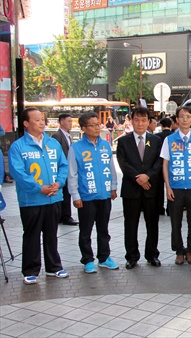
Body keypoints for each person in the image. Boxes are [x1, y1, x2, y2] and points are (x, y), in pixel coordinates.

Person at [8, 107, 69, 284]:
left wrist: (58, 183)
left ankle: (54, 267)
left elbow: (63, 166)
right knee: (32, 235)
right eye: (37, 120)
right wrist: (38, 188)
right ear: (26, 123)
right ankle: (30, 270)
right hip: (31, 200)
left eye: (42, 119)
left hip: (54, 197)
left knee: (51, 234)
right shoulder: (18, 147)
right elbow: (18, 173)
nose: (42, 122)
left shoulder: (53, 144)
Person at [67, 112, 119, 273]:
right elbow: (72, 173)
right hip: (86, 196)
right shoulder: (76, 148)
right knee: (86, 230)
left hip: (104, 195)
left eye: (98, 124)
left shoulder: (105, 145)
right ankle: (88, 260)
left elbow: (111, 168)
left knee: (104, 229)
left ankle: (104, 257)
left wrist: (113, 186)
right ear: (83, 128)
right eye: (93, 125)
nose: (97, 128)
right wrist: (75, 195)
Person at [116, 107, 163, 269]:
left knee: (152, 224)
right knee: (130, 224)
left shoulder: (156, 140)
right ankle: (131, 256)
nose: (140, 123)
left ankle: (152, 254)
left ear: (149, 122)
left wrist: (147, 176)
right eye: (137, 120)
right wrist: (139, 178)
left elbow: (159, 162)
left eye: (144, 120)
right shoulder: (123, 141)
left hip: (151, 189)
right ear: (131, 121)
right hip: (131, 190)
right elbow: (123, 164)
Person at [161, 106, 191, 265]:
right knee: (175, 222)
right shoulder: (169, 140)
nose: (185, 119)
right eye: (182, 116)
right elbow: (165, 164)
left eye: (188, 116)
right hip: (176, 187)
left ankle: (190, 251)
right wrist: (168, 186)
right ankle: (179, 251)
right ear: (177, 120)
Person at [51, 113, 78, 226]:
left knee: (67, 191)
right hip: (62, 168)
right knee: (64, 192)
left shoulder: (68, 135)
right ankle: (64, 216)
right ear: (61, 122)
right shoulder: (56, 136)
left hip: (68, 167)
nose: (70, 123)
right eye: (68, 121)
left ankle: (64, 215)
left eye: (71, 121)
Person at [154, 117, 173, 216]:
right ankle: (170, 208)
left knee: (160, 188)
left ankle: (159, 208)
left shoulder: (156, 137)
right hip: (171, 166)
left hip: (159, 166)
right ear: (171, 125)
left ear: (161, 126)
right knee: (171, 187)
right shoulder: (173, 136)